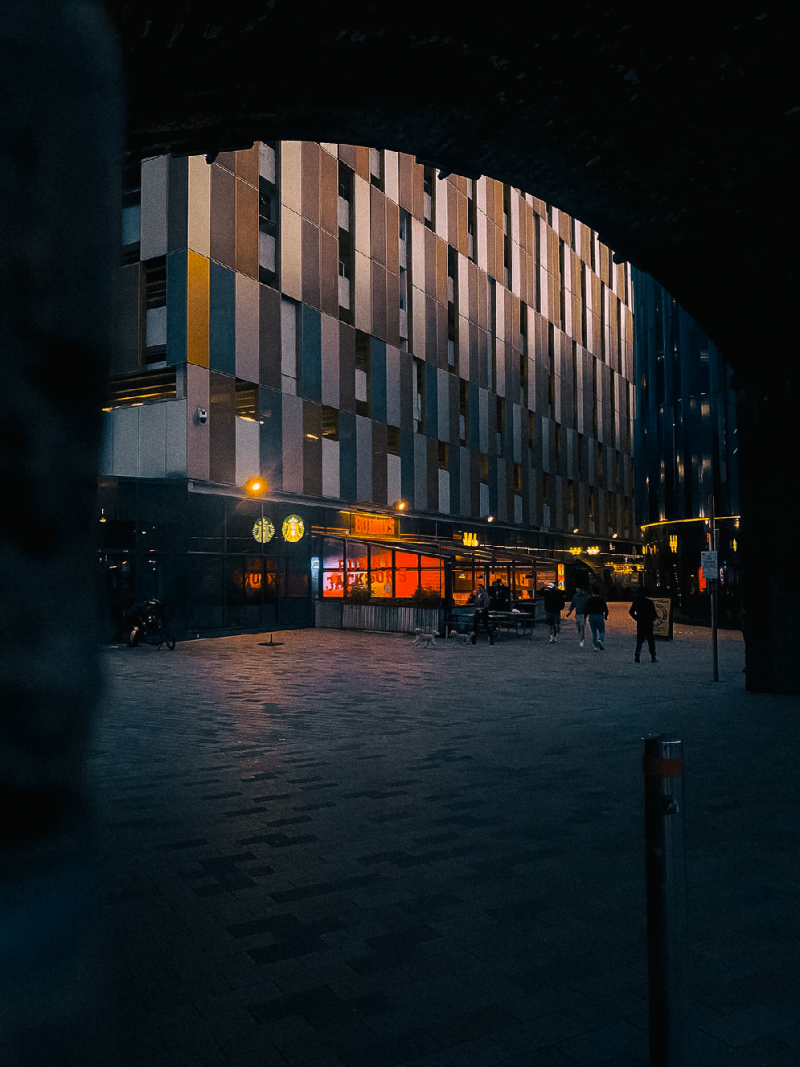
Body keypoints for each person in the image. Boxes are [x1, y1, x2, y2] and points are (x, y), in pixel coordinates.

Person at [629, 586, 658, 662]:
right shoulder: (649, 602)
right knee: (650, 640)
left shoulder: (637, 602)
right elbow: (654, 613)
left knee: (639, 640)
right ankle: (653, 656)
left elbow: (631, 611)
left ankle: (637, 655)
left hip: (641, 622)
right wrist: (652, 618)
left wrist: (637, 618)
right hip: (648, 623)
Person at [585, 585, 609, 650]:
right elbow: (606, 609)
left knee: (594, 632)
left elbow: (587, 609)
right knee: (602, 631)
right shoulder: (601, 600)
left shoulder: (590, 600)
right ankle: (600, 640)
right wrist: (606, 616)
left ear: (592, 592)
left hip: (592, 616)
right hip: (599, 616)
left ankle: (595, 646)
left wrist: (585, 616)